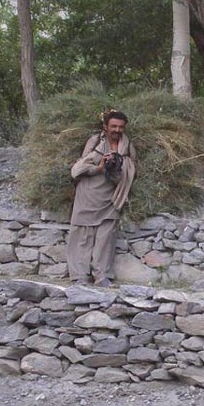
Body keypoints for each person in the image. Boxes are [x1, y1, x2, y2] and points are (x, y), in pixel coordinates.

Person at [68, 109, 137, 287]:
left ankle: (102, 275)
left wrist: (119, 168)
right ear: (105, 127)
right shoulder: (95, 142)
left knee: (106, 238)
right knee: (83, 236)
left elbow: (131, 171)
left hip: (112, 197)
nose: (117, 130)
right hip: (88, 195)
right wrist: (99, 168)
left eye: (121, 127)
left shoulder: (127, 146)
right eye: (113, 126)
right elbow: (79, 169)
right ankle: (80, 276)